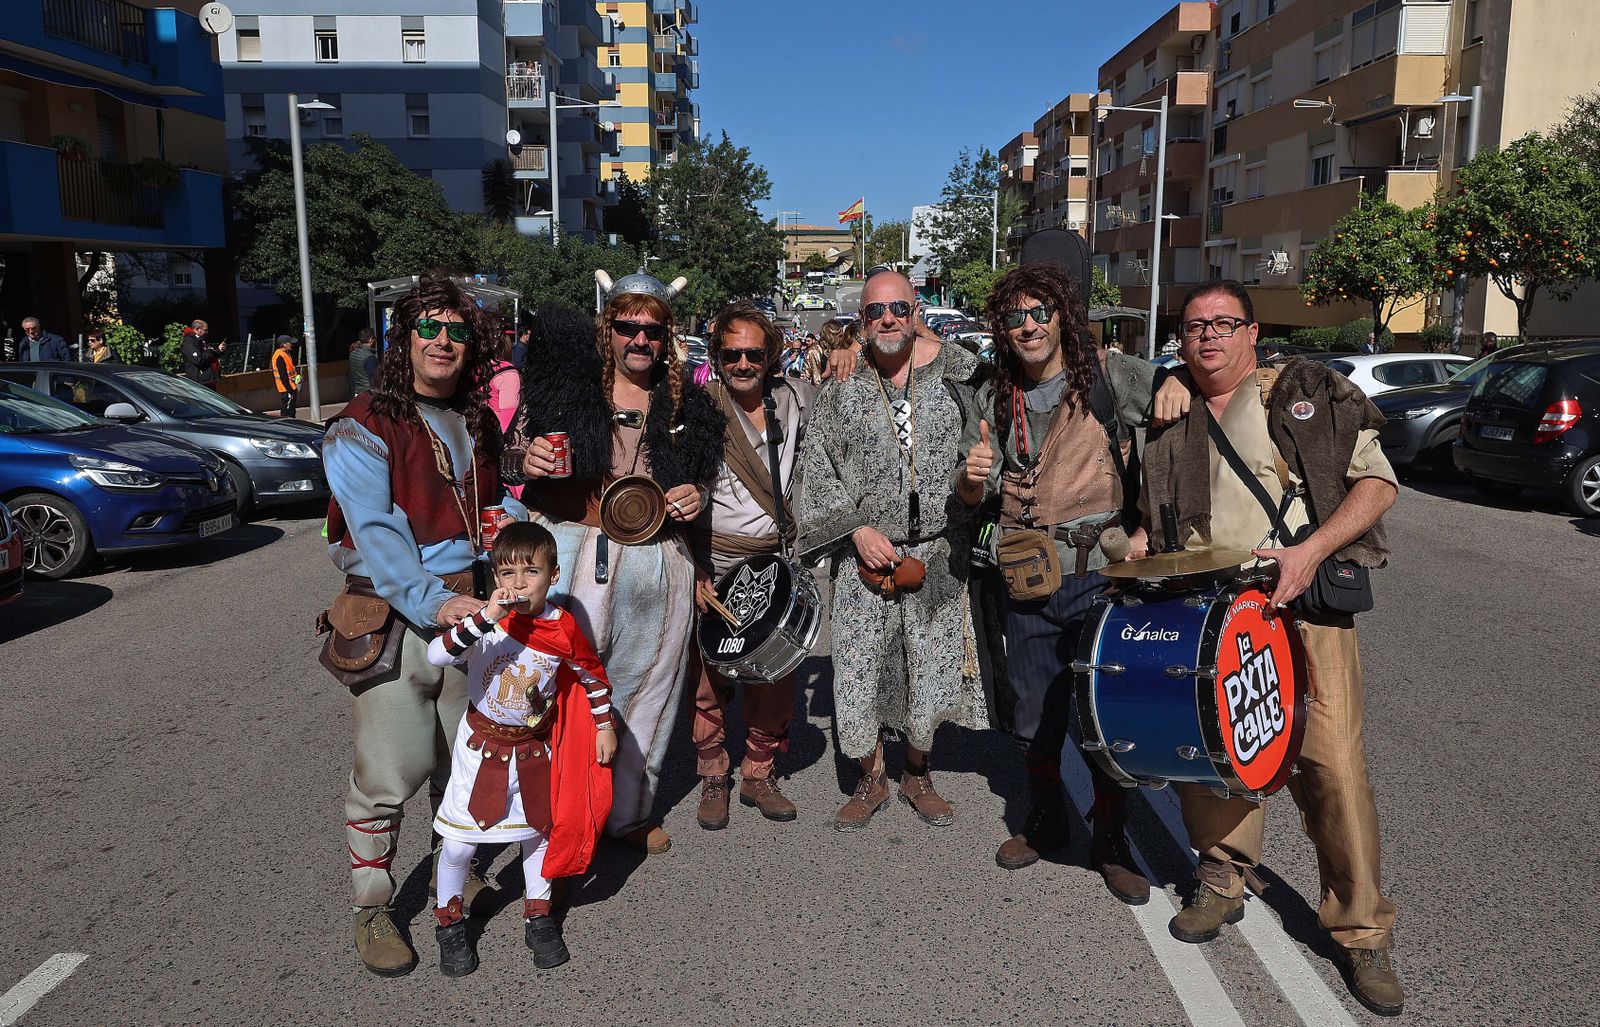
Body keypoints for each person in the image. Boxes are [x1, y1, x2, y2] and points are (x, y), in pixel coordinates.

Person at [1140, 280, 1404, 1016]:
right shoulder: (1169, 411)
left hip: (1299, 604)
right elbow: (1147, 519)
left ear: (1253, 332)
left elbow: (1378, 484)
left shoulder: (1302, 393)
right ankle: (1222, 878)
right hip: (1210, 613)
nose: (1208, 338)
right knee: (1216, 756)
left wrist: (1310, 551)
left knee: (1332, 767)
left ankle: (1360, 930)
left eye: (1224, 323)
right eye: (1194, 327)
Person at [320, 271, 528, 977]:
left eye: (457, 329)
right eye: (429, 328)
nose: (444, 341)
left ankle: (453, 866)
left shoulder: (474, 420)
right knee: (388, 772)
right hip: (403, 618)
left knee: (460, 760)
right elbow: (376, 538)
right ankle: (372, 906)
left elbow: (495, 510)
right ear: (401, 339)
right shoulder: (363, 422)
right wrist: (434, 602)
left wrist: (532, 546)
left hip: (473, 613)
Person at [953, 262, 1182, 902]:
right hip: (1023, 573)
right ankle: (1047, 815)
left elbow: (1177, 391)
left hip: (1099, 575)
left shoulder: (1110, 377)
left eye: (1039, 313)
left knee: (1103, 709)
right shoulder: (992, 394)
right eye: (1014, 317)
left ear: (1062, 318)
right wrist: (972, 480)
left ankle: (1111, 838)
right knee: (1034, 711)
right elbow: (973, 488)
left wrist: (1173, 383)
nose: (1027, 327)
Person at [503, 274, 724, 855]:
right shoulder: (563, 391)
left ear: (666, 337)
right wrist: (527, 460)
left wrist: (695, 493)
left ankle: (625, 813)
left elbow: (704, 475)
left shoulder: (688, 406)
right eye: (628, 326)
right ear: (610, 330)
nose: (640, 340)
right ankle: (542, 814)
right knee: (549, 688)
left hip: (660, 563)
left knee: (646, 689)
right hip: (573, 550)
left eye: (652, 330)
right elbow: (505, 455)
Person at [798, 270, 988, 832]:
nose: (888, 320)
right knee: (857, 672)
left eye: (899, 309)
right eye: (876, 312)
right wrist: (856, 529)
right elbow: (817, 469)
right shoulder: (841, 384)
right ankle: (871, 775)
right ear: (861, 320)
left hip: (936, 551)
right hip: (863, 555)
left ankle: (917, 772)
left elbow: (999, 412)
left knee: (930, 668)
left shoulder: (956, 375)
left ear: (917, 312)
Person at [424, 521, 615, 976]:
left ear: (554, 574)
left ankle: (539, 915)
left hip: (532, 750)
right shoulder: (487, 625)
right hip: (481, 750)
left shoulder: (562, 628)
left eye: (530, 572)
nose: (517, 583)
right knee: (457, 845)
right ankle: (449, 923)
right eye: (507, 573)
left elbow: (592, 677)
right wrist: (484, 618)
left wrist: (604, 728)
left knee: (538, 836)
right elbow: (438, 654)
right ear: (495, 579)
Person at [690, 302, 813, 830]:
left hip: (774, 559)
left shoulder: (797, 398)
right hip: (715, 557)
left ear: (772, 356)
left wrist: (851, 351)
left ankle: (758, 772)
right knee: (709, 675)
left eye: (754, 353)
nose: (743, 363)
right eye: (732, 353)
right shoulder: (696, 409)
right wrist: (694, 567)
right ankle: (713, 773)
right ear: (717, 356)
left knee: (775, 673)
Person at [272, 335, 300, 418]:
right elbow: (283, 376)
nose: (292, 344)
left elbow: (289, 372)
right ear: (283, 344)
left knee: (291, 412)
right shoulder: (280, 356)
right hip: (286, 390)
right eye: (290, 343)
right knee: (287, 414)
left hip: (290, 388)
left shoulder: (286, 354)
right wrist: (290, 390)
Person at [347, 329, 379, 396]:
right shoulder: (369, 357)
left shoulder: (353, 354)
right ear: (371, 340)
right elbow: (373, 378)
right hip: (368, 394)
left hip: (357, 392)